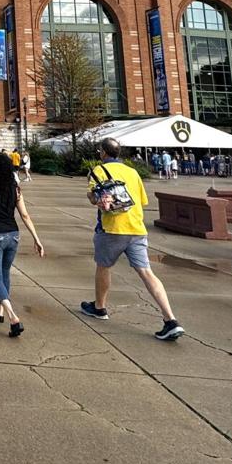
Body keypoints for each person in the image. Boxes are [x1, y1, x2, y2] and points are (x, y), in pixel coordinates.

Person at [81, 137, 185, 341]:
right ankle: (170, 319)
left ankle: (100, 307)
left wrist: (95, 196)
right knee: (147, 272)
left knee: (103, 267)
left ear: (103, 152)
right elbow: (142, 200)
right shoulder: (133, 171)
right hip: (137, 228)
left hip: (112, 228)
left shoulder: (98, 171)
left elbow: (95, 199)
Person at [0, 152, 44, 337]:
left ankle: (13, 317)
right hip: (13, 235)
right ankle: (0, 311)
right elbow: (25, 215)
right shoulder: (16, 188)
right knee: (5, 274)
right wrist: (37, 239)